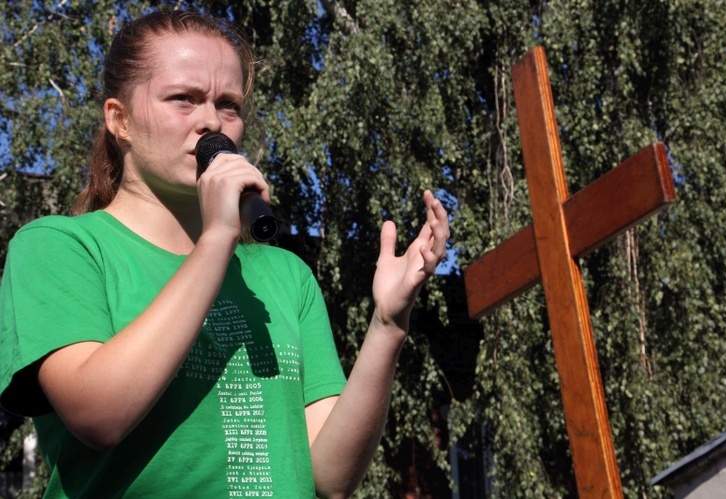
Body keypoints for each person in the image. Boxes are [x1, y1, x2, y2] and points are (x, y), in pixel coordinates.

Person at [0, 9, 449, 499]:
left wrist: (388, 325)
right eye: (183, 99)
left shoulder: (284, 275)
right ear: (120, 119)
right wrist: (217, 238)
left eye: (228, 105)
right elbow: (98, 415)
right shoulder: (60, 248)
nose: (211, 121)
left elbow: (331, 477)